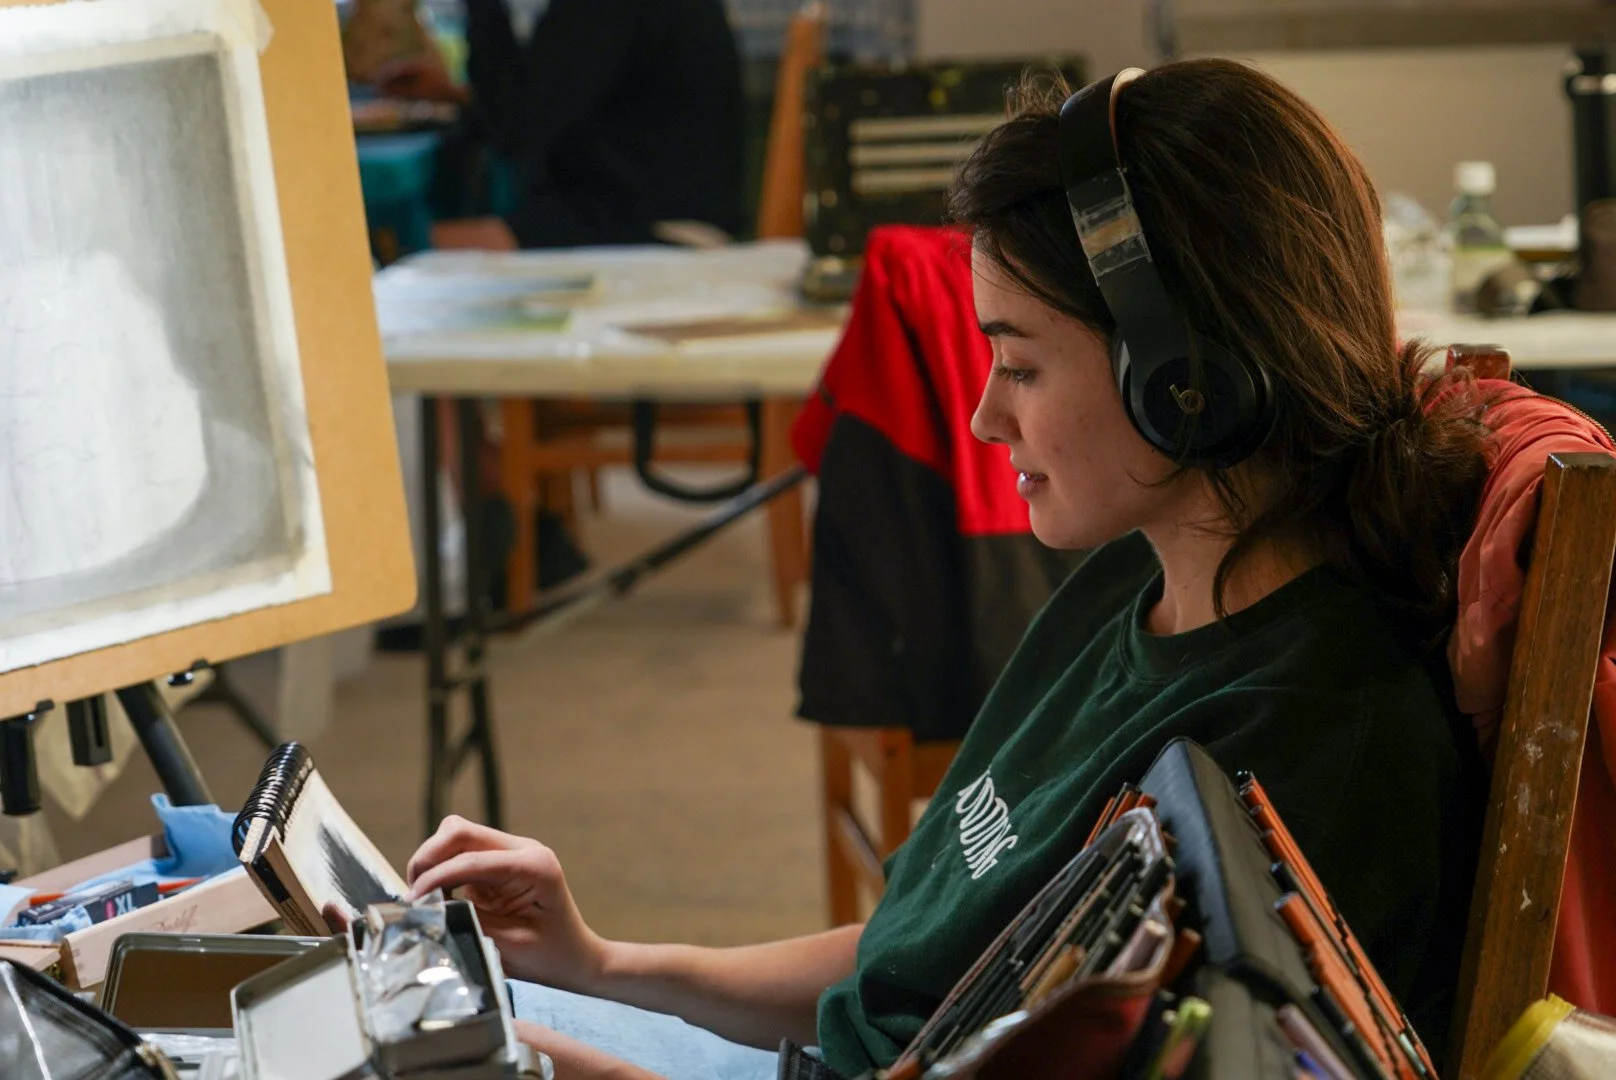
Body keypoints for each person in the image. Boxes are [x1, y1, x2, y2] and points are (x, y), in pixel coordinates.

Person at [397, 60, 1490, 1079]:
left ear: (1182, 376)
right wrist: (603, 964)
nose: (982, 418)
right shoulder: (1138, 576)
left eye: (1018, 364)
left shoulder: (1312, 743)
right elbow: (919, 966)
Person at [377, 0, 746, 250]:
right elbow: (552, 106)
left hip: (659, 231)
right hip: (632, 213)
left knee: (400, 247)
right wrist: (458, 96)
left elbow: (516, 130)